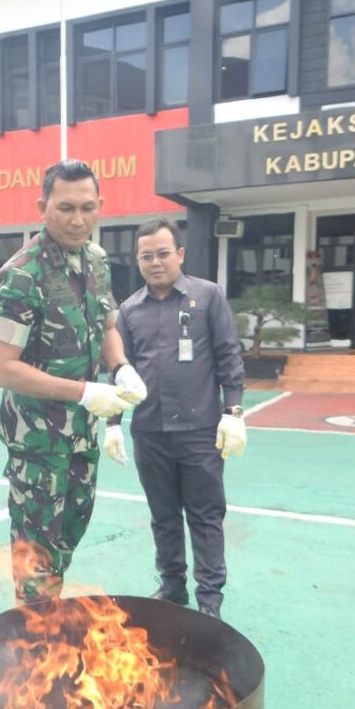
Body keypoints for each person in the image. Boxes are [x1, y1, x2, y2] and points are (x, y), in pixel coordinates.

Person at [0, 159, 146, 603]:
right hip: (37, 440)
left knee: (71, 530)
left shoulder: (96, 260)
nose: (78, 220)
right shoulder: (21, 274)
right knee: (36, 547)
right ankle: (34, 631)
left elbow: (107, 326)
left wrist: (120, 366)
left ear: (100, 206)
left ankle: (46, 613)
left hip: (81, 431)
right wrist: (84, 391)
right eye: (66, 208)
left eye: (87, 208)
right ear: (43, 208)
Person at [104, 218, 246, 619]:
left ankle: (210, 600)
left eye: (163, 253)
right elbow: (120, 369)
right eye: (146, 256)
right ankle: (172, 586)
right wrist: (113, 423)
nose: (155, 262)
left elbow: (228, 354)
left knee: (205, 515)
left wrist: (233, 411)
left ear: (180, 254)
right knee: (163, 516)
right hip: (150, 432)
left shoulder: (208, 296)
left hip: (200, 430)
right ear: (137, 260)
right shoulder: (129, 311)